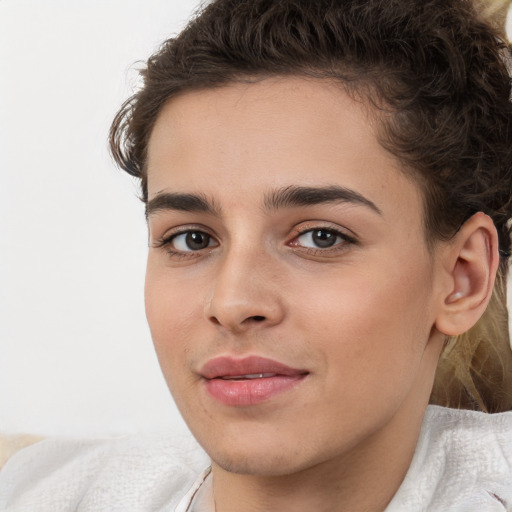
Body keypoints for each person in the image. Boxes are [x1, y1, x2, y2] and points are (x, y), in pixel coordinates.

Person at [1, 0, 512, 510]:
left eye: (320, 237)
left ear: (462, 277)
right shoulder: (40, 492)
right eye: (191, 239)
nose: (232, 301)